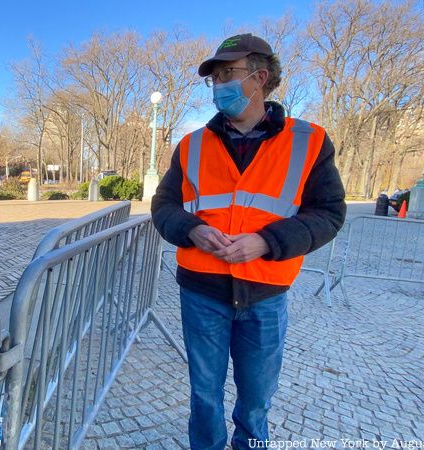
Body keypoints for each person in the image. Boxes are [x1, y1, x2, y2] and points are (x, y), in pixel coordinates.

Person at [151, 33, 345, 450]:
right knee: (204, 394)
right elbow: (163, 206)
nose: (219, 84)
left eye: (228, 74)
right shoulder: (191, 144)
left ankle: (250, 444)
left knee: (256, 397)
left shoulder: (309, 140)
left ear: (259, 78)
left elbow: (329, 213)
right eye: (214, 77)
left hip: (265, 290)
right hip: (201, 290)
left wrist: (266, 242)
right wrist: (191, 230)